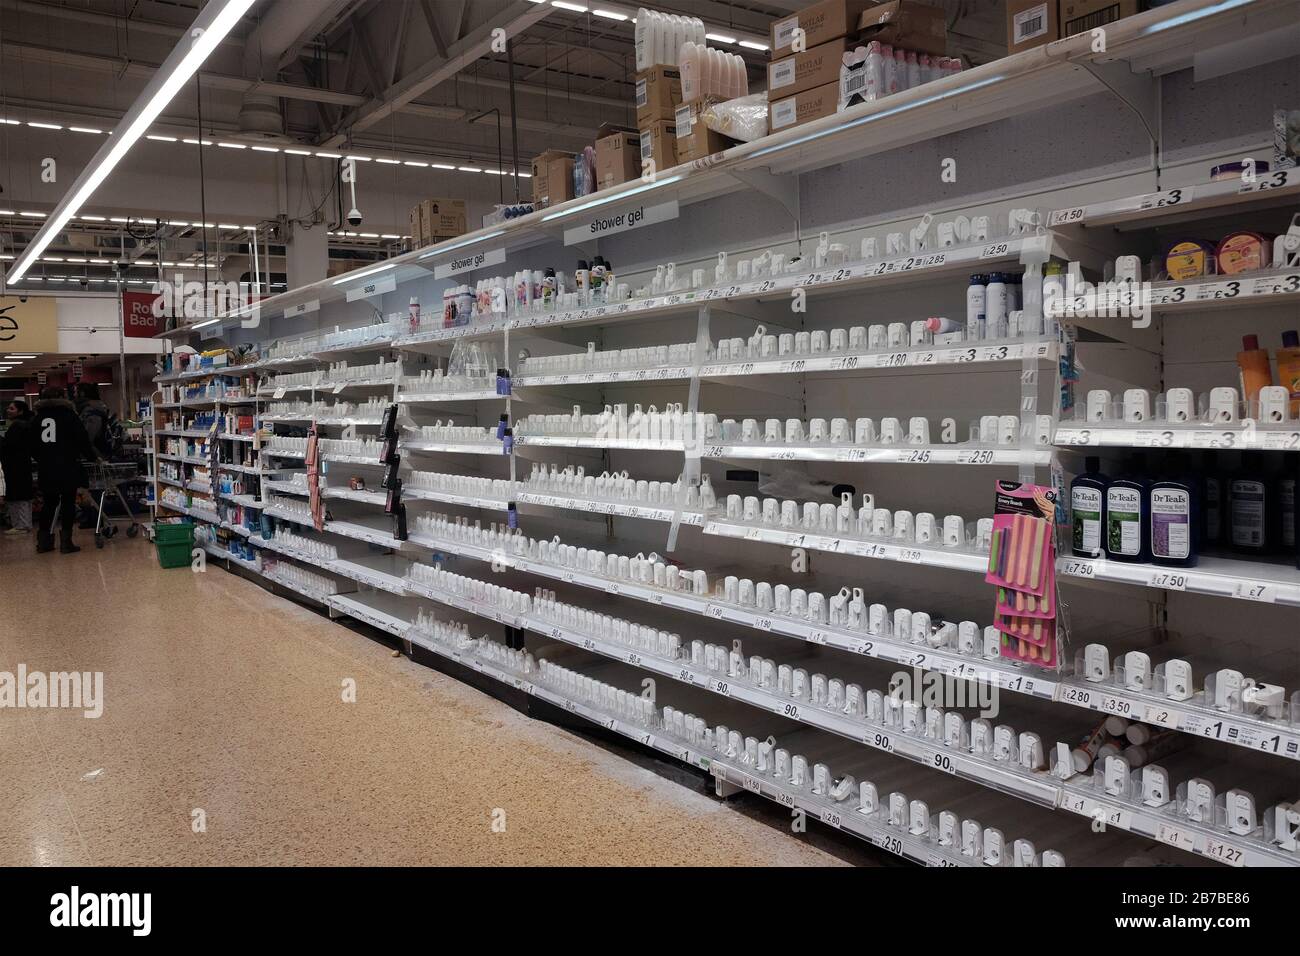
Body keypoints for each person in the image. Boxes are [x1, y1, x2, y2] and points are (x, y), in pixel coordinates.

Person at [28, 385, 97, 553]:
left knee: (49, 504)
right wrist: (92, 457)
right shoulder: (69, 416)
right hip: (67, 465)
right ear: (62, 397)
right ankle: (66, 542)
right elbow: (82, 439)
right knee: (67, 503)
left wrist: (42, 458)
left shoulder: (37, 418)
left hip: (46, 467)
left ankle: (44, 542)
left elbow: (31, 444)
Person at [1, 400, 35, 535]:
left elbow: (9, 447)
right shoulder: (25, 425)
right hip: (23, 465)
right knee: (24, 496)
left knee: (17, 495)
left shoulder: (17, 426)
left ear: (20, 411)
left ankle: (20, 525)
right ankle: (25, 523)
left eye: (12, 408)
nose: (8, 410)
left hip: (15, 466)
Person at [76, 381, 117, 458]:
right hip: (96, 453)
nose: (74, 395)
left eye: (75, 392)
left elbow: (88, 439)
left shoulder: (92, 413)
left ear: (82, 393)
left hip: (95, 455)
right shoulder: (92, 410)